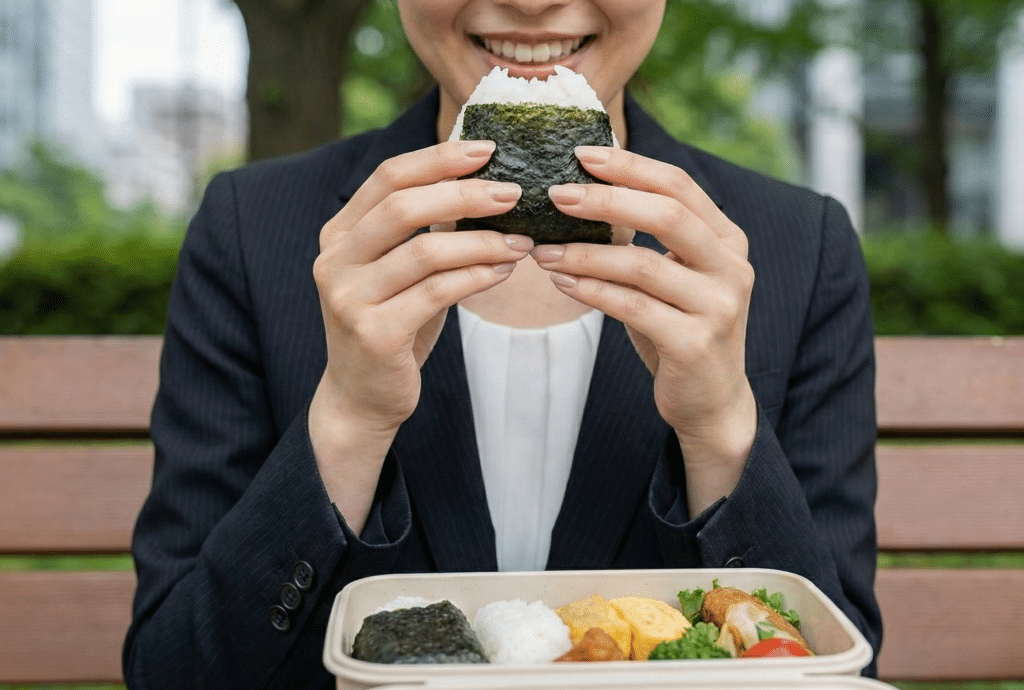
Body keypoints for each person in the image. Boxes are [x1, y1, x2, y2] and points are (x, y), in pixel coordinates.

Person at [123, 1, 883, 687]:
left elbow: (846, 666)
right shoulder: (252, 230)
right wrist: (349, 421)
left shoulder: (796, 247)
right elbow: (172, 670)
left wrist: (718, 427)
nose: (529, 1)